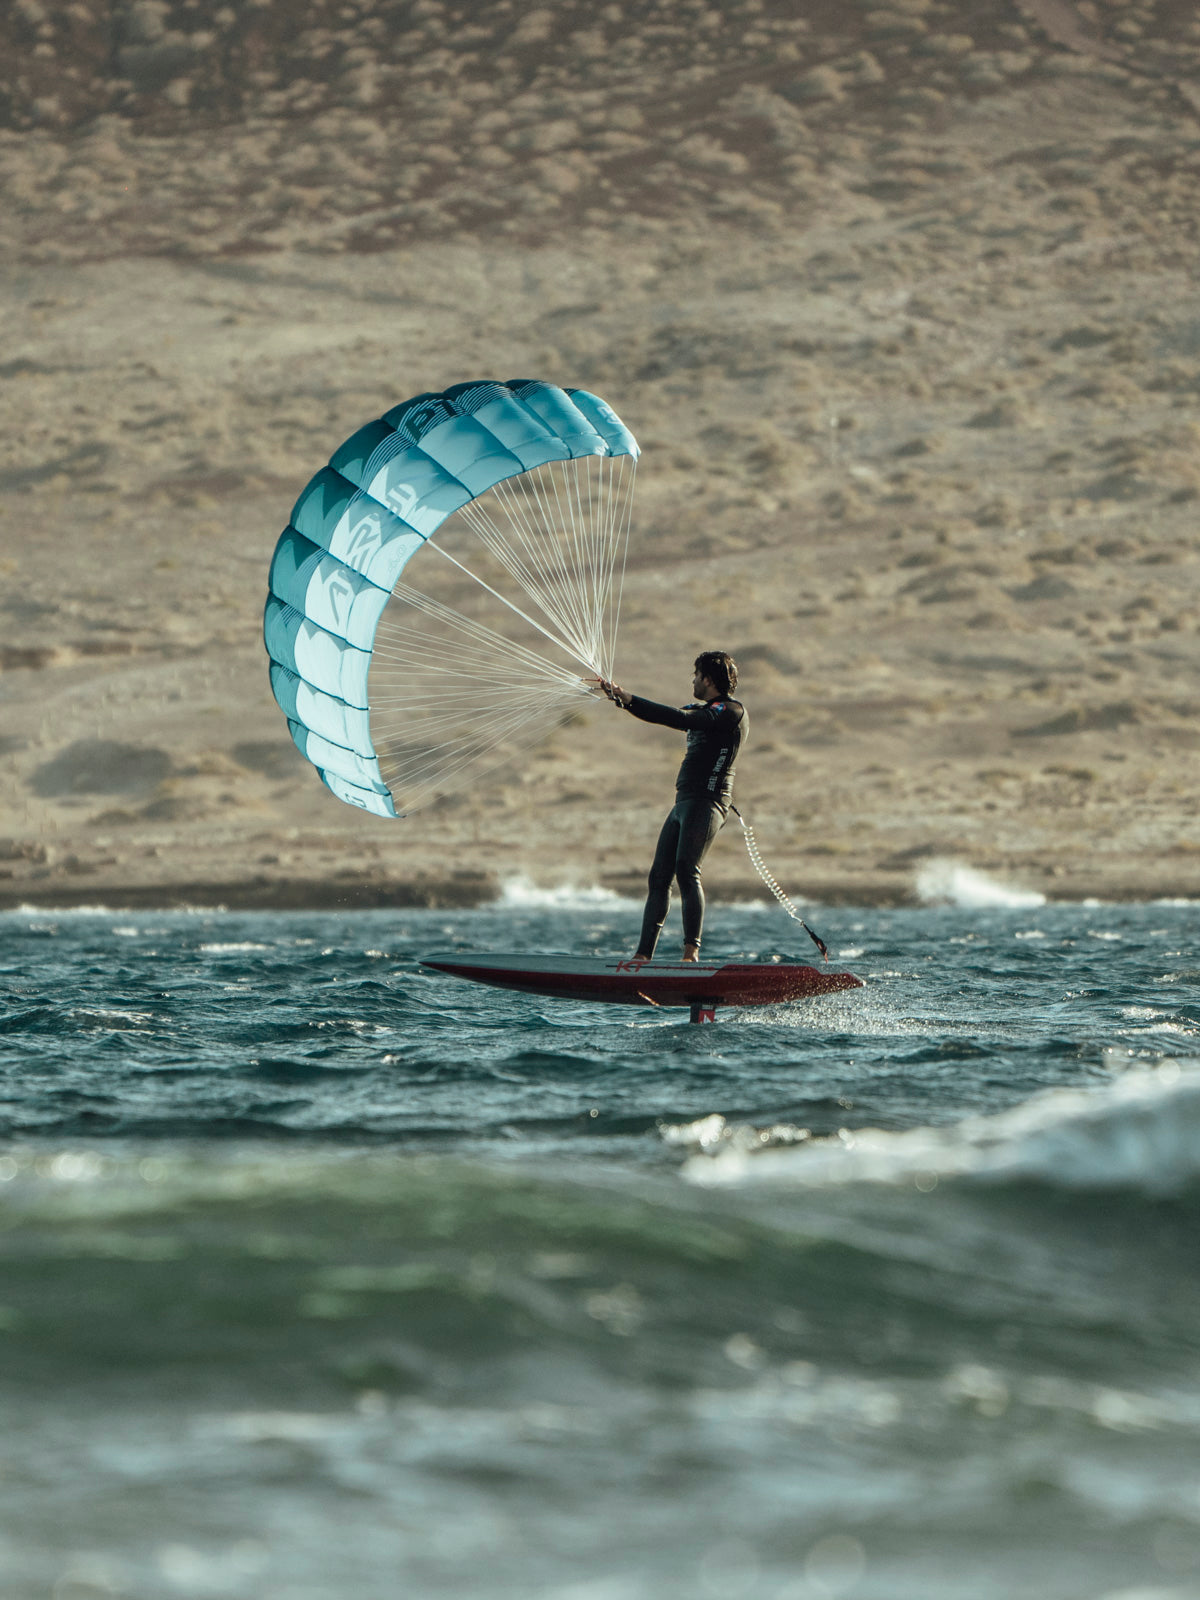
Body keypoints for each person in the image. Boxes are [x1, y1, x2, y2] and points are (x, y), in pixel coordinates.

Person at [596, 651, 746, 963]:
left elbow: (680, 719)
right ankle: (642, 956)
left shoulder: (731, 711)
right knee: (659, 877)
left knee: (686, 871)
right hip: (683, 804)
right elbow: (668, 714)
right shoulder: (706, 710)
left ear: (706, 678)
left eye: (695, 675)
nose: (692, 681)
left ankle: (691, 953)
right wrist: (624, 700)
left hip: (708, 803)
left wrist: (630, 698)